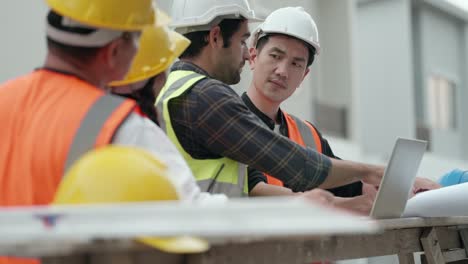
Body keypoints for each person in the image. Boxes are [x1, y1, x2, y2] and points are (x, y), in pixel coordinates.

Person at [156, 0, 385, 200]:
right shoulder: (209, 99)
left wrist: (378, 184)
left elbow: (347, 186)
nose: (245, 53)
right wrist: (367, 176)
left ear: (305, 73)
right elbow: (295, 167)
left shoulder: (176, 89)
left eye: (296, 63)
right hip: (209, 242)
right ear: (215, 37)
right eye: (243, 41)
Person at [243, 7, 440, 210]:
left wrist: (402, 184)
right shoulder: (228, 120)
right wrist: (340, 205)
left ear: (304, 75)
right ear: (253, 56)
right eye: (275, 56)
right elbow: (252, 187)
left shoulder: (306, 134)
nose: (283, 71)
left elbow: (344, 182)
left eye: (295, 64)